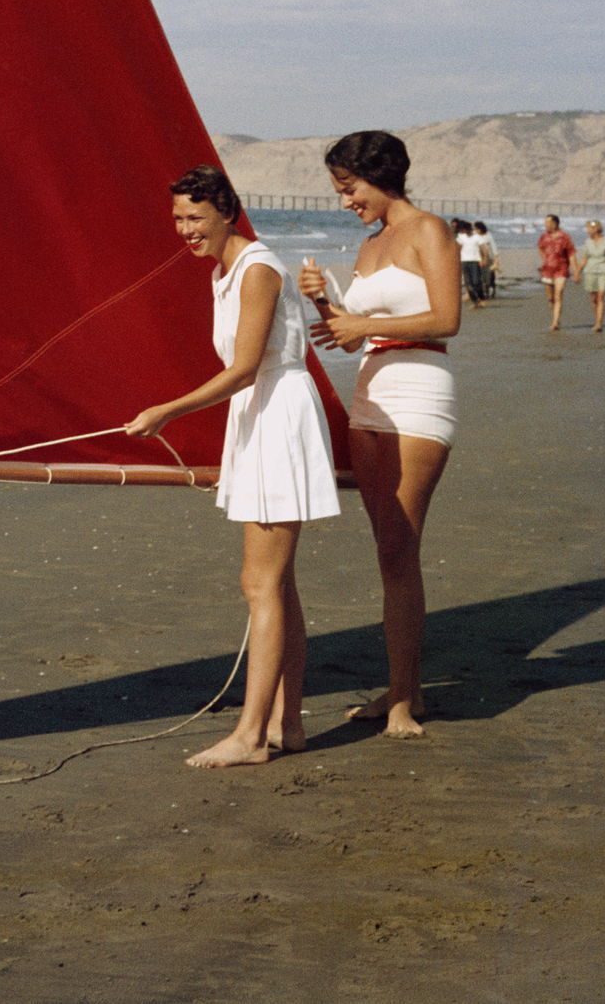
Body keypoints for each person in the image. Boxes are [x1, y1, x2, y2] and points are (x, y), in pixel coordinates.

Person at [122, 166, 338, 766]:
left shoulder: (258, 268)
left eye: (195, 218)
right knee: (278, 582)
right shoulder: (224, 271)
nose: (185, 231)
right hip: (257, 414)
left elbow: (245, 368)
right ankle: (286, 723)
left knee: (260, 582)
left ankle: (249, 736)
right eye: (177, 220)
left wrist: (166, 410)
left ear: (227, 212)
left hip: (277, 412)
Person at [297, 131, 459, 740]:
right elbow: (352, 333)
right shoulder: (368, 246)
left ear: (381, 176)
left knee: (400, 545)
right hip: (371, 392)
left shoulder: (429, 230)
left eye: (349, 188)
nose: (345, 201)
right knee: (386, 548)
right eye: (340, 190)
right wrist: (323, 305)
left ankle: (401, 700)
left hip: (420, 390)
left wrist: (359, 320)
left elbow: (448, 318)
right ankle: (402, 690)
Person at [537, 215, 578, 332]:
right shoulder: (543, 237)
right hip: (547, 270)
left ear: (555, 224)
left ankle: (555, 322)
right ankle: (555, 317)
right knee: (550, 298)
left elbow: (571, 254)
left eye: (547, 223)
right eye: (544, 223)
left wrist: (576, 271)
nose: (545, 225)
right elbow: (540, 248)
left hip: (561, 269)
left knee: (558, 295)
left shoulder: (565, 237)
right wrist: (544, 260)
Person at [580, 220, 605, 332]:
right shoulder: (587, 242)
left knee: (601, 296)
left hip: (603, 271)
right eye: (587, 228)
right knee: (593, 298)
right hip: (590, 271)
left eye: (589, 228)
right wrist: (578, 272)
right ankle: (597, 318)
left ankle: (599, 323)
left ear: (596, 229)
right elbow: (584, 259)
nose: (588, 231)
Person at [454, 219, 486, 309]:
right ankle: (475, 301)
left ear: (468, 229)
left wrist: (484, 259)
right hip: (464, 261)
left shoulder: (477, 236)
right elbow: (458, 248)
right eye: (461, 230)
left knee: (476, 282)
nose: (463, 232)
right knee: (468, 283)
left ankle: (482, 298)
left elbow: (483, 248)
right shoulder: (461, 236)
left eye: (464, 230)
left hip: (475, 261)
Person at [474, 222, 498, 301]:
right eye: (475, 228)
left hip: (489, 258)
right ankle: (485, 292)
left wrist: (496, 258)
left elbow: (493, 247)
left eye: (477, 229)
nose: (476, 230)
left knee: (490, 275)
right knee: (481, 275)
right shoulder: (475, 235)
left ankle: (492, 289)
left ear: (481, 229)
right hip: (478, 258)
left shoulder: (488, 235)